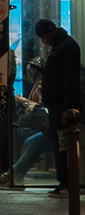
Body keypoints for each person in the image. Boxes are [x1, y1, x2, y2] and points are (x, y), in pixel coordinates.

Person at [35, 18, 83, 196]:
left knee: (63, 146)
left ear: (49, 32)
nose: (43, 41)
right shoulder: (61, 46)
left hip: (62, 107)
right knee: (59, 144)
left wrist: (68, 108)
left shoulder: (67, 46)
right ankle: (65, 182)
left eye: (42, 37)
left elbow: (70, 79)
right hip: (58, 105)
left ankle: (66, 184)